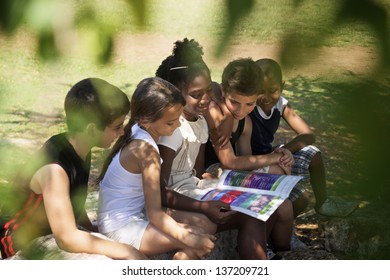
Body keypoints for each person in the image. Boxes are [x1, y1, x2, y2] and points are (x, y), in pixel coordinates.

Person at [156, 39, 292, 259]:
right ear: (176, 91)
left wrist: (212, 181)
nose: (206, 100)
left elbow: (196, 174)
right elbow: (161, 190)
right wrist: (203, 206)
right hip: (180, 199)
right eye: (197, 94)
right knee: (246, 211)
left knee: (257, 211)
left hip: (195, 189)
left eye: (208, 92)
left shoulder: (200, 122)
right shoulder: (172, 129)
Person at [0, 78, 147, 260]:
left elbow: (72, 202)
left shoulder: (79, 147)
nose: (122, 133)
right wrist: (127, 251)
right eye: (116, 127)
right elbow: (67, 238)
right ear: (92, 129)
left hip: (53, 235)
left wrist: (94, 231)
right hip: (22, 246)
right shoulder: (55, 170)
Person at [96, 77, 216, 260]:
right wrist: (191, 239)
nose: (178, 125)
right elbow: (155, 214)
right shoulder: (146, 153)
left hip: (127, 217)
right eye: (171, 122)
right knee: (196, 237)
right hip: (121, 229)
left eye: (178, 118)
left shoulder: (137, 128)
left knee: (204, 227)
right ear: (146, 120)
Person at [203, 58, 295, 254]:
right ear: (225, 93)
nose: (241, 110)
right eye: (234, 102)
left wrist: (280, 156)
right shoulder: (215, 112)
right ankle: (260, 250)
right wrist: (273, 157)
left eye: (249, 104)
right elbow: (229, 161)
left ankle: (276, 251)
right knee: (274, 187)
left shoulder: (246, 122)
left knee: (283, 205)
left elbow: (247, 161)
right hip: (211, 173)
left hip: (229, 174)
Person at [249, 58, 358, 217]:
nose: (266, 97)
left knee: (314, 155)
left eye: (273, 90)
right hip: (254, 162)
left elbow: (308, 134)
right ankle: (277, 229)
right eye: (260, 91)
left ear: (282, 86)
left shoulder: (281, 104)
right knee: (301, 198)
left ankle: (323, 203)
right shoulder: (248, 106)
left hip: (273, 156)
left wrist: (284, 151)